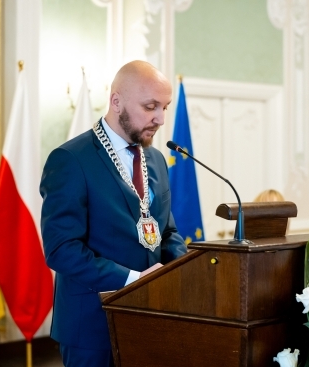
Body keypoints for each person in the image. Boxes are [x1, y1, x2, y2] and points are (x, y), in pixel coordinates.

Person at [40, 60, 187, 367]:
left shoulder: (157, 159)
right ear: (116, 100)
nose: (160, 119)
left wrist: (181, 271)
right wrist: (134, 280)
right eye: (150, 107)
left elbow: (166, 231)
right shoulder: (70, 159)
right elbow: (61, 249)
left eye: (165, 107)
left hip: (150, 321)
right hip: (92, 327)